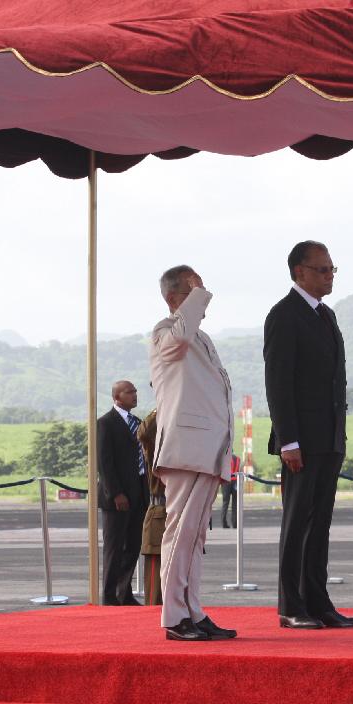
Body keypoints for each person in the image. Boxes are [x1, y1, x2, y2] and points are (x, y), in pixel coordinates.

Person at [265, 241, 353, 630]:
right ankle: (291, 605)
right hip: (301, 442)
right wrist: (288, 440)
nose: (329, 276)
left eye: (332, 269)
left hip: (329, 437)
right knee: (297, 525)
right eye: (322, 270)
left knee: (320, 524)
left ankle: (318, 602)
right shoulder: (284, 315)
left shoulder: (326, 315)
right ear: (299, 272)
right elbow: (278, 383)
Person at [149, 265, 237, 641]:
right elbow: (179, 337)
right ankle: (174, 616)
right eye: (193, 292)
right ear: (174, 299)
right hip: (186, 450)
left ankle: (192, 610)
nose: (203, 299)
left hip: (206, 450)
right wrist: (198, 296)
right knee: (181, 534)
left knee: (195, 537)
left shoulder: (201, 338)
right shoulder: (165, 332)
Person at [96, 380, 149, 606]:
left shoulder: (138, 423)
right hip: (117, 498)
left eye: (135, 391)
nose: (134, 395)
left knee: (133, 546)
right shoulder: (105, 423)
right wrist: (116, 493)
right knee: (114, 548)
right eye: (129, 392)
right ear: (117, 397)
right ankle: (109, 597)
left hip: (138, 494)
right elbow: (104, 462)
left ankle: (123, 593)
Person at [136, 408, 164, 606]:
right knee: (156, 588)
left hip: (185, 513)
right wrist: (162, 405)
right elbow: (144, 433)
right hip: (162, 511)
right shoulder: (155, 444)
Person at [218, 453, 241, 528]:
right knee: (235, 503)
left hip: (226, 481)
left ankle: (224, 523)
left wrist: (220, 482)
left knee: (225, 503)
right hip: (235, 481)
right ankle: (235, 523)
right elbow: (238, 470)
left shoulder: (224, 459)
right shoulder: (238, 459)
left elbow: (222, 470)